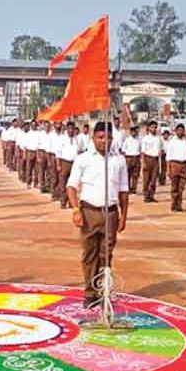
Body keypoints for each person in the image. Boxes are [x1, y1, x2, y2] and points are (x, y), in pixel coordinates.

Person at [66, 122, 130, 309]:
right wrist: (76, 210)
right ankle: (89, 292)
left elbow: (124, 191)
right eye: (100, 137)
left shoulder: (119, 161)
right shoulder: (83, 159)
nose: (104, 141)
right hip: (89, 212)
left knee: (106, 255)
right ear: (93, 138)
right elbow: (71, 186)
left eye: (108, 137)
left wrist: (124, 216)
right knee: (89, 254)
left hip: (110, 213)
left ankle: (103, 291)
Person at [165, 123, 186, 211]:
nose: (180, 132)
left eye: (182, 130)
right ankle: (174, 204)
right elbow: (168, 156)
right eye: (179, 130)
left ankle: (179, 204)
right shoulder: (172, 141)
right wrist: (168, 169)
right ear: (176, 131)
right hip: (174, 164)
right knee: (174, 186)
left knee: (181, 187)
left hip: (184, 165)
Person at [121, 124, 142, 197]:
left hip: (136, 157)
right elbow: (123, 150)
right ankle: (128, 189)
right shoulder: (127, 140)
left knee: (135, 175)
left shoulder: (139, 139)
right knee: (128, 175)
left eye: (135, 131)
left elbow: (141, 149)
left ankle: (134, 189)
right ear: (130, 132)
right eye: (132, 131)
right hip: (128, 158)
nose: (134, 133)